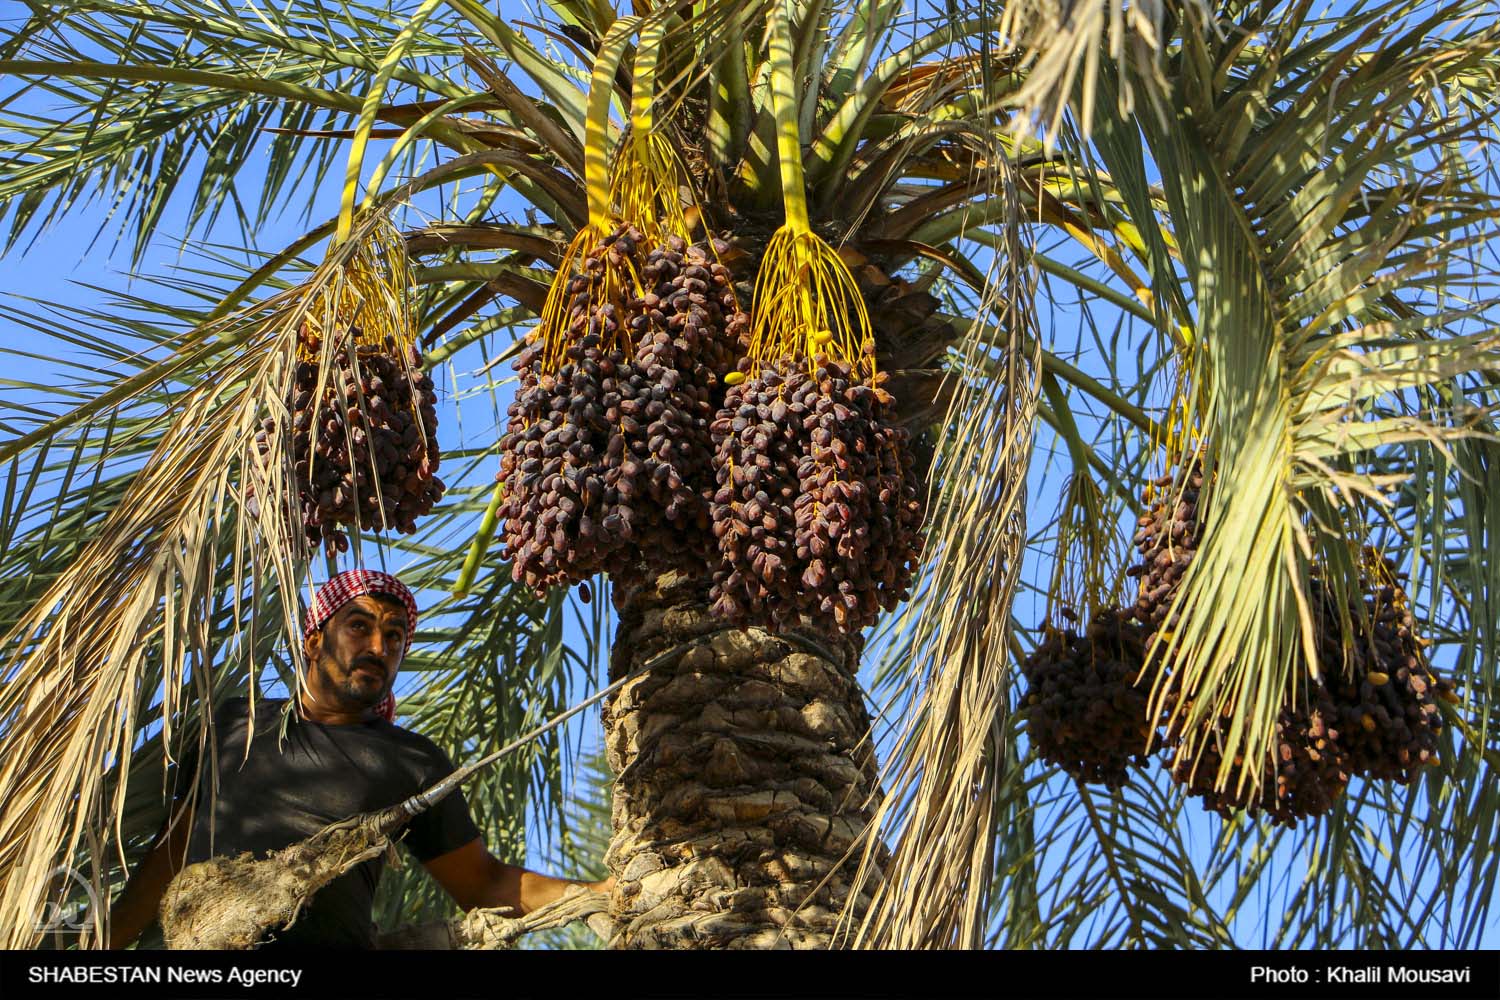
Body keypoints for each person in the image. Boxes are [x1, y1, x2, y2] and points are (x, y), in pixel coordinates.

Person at [107, 569, 609, 949]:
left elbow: (485, 882)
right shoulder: (236, 723)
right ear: (313, 640)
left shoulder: (412, 762)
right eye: (359, 627)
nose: (378, 647)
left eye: (394, 637)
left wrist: (602, 892)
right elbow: (172, 850)